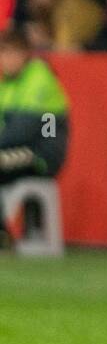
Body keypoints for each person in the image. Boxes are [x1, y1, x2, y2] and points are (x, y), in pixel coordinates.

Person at [0, 28, 70, 245]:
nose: (5, 60)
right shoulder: (7, 84)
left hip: (41, 153)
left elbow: (25, 130)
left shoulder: (39, 78)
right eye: (2, 54)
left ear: (24, 54)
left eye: (9, 53)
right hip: (16, 149)